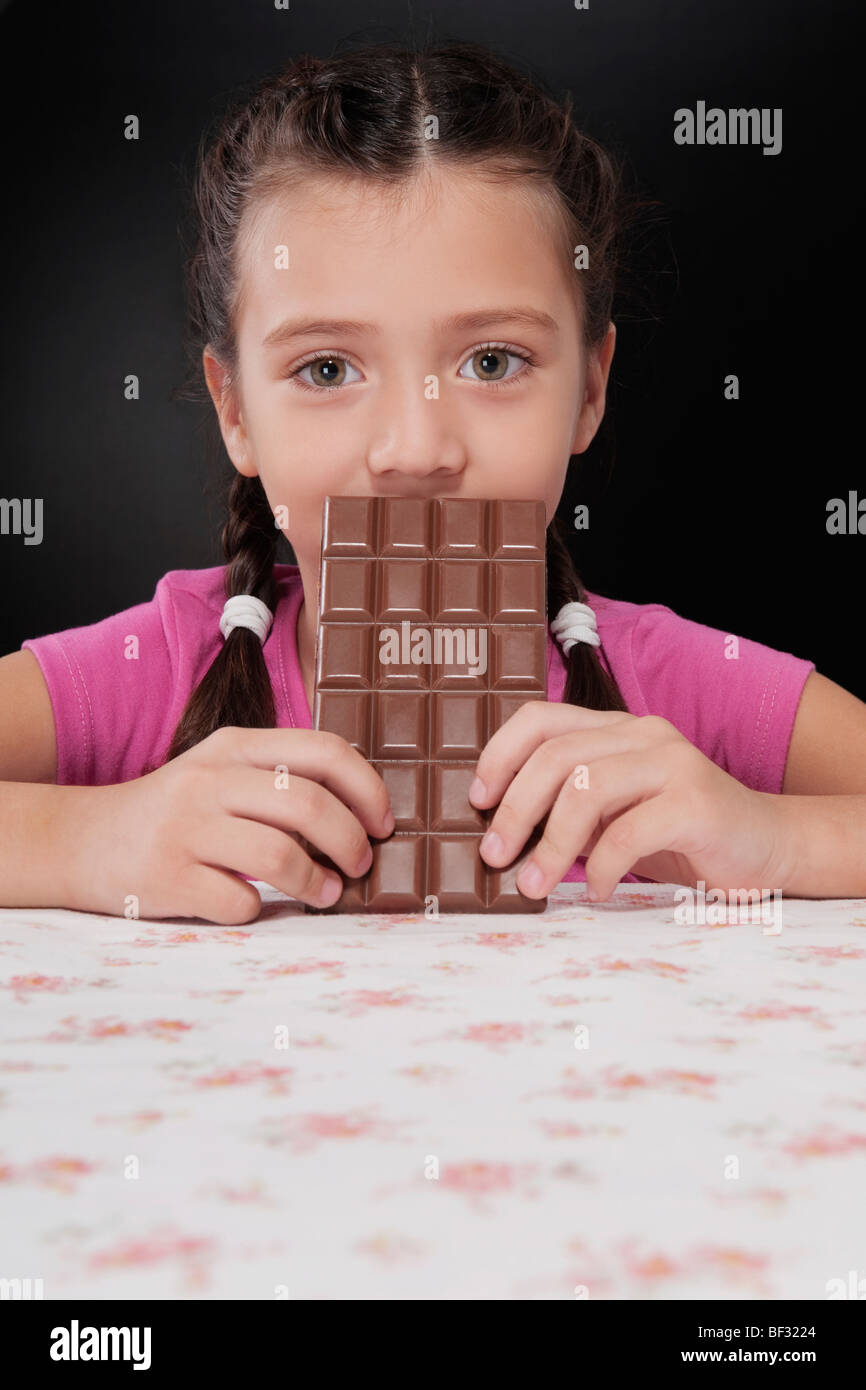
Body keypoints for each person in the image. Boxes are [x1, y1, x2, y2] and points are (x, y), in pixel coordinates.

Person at [3, 41, 866, 922]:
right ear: (236, 412)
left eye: (492, 361)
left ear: (590, 389)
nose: (415, 449)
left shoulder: (670, 685)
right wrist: (90, 837)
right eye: (329, 369)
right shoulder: (158, 669)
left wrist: (766, 835)